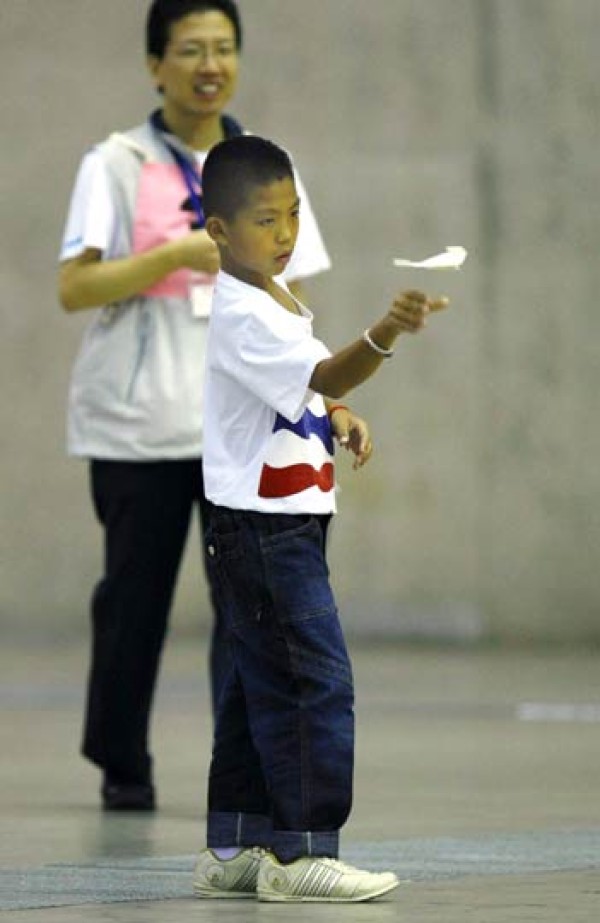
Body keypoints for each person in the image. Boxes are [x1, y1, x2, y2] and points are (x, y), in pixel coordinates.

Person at [58, 0, 364, 812]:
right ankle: (123, 761)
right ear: (156, 63)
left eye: (223, 48)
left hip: (242, 423)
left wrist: (319, 400)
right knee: (134, 599)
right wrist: (177, 255)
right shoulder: (116, 162)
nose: (209, 64)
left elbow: (292, 294)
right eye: (190, 48)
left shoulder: (261, 163)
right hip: (141, 423)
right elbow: (74, 286)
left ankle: (244, 789)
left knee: (253, 612)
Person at [192, 135, 449, 902]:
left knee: (256, 675)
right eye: (266, 220)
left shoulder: (275, 298)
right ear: (218, 231)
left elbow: (303, 385)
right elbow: (323, 365)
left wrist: (334, 412)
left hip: (274, 522)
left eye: (294, 215)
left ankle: (236, 842)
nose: (285, 233)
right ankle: (301, 851)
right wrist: (384, 335)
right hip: (266, 530)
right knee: (314, 679)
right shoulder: (244, 313)